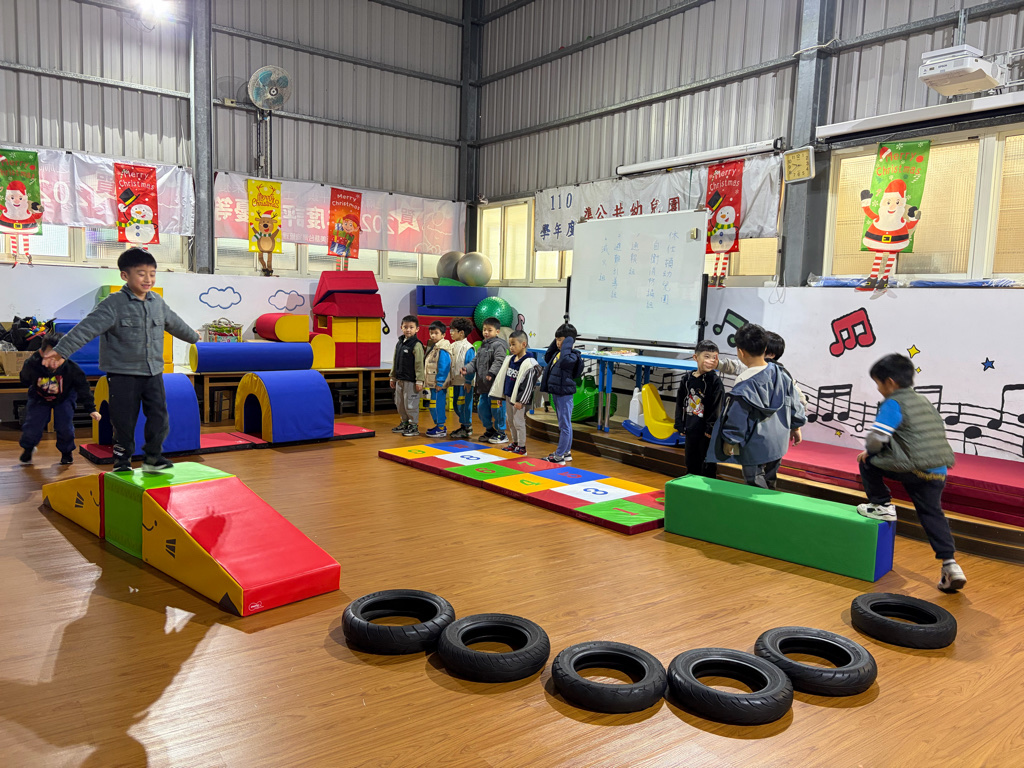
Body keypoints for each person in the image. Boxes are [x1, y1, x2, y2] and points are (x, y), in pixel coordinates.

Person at [45, 248, 199, 472]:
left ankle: (153, 458)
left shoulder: (157, 302)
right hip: (123, 374)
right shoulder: (113, 304)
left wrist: (194, 337)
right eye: (141, 274)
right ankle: (122, 462)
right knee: (124, 421)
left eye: (152, 274)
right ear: (125, 275)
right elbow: (86, 329)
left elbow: (175, 323)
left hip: (153, 372)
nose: (148, 279)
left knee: (159, 417)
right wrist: (60, 352)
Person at [856, 353, 965, 593]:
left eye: (878, 383)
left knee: (867, 461)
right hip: (938, 470)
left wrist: (869, 452)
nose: (878, 389)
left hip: (914, 468)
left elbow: (877, 438)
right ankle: (950, 564)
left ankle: (880, 504)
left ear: (890, 382)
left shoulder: (894, 402)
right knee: (932, 513)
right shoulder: (923, 401)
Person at [707, 323, 806, 489]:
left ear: (741, 352)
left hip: (754, 444)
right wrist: (796, 426)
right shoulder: (781, 373)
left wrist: (730, 440)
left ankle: (761, 505)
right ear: (765, 348)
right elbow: (794, 402)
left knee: (754, 482)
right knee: (770, 478)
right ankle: (770, 499)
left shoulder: (744, 383)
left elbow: (737, 417)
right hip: (778, 442)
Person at [18, 332, 101, 465]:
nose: (54, 361)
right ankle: (28, 448)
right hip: (39, 397)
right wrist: (33, 363)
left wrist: (91, 409)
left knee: (65, 426)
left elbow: (83, 388)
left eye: (59, 357)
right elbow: (24, 380)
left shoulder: (72, 369)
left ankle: (66, 452)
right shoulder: (33, 364)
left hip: (64, 397)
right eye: (50, 356)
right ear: (42, 353)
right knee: (32, 425)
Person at [718, 330, 809, 410]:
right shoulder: (753, 366)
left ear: (771, 354)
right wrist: (717, 364)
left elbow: (801, 400)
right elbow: (736, 366)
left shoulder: (782, 375)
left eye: (761, 349)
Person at [674, 340, 723, 479]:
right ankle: (690, 486)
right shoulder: (687, 379)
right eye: (706, 356)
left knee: (707, 465)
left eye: (714, 357)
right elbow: (680, 402)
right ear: (696, 357)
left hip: (706, 432)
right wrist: (679, 423)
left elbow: (717, 406)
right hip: (691, 428)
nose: (710, 360)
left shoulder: (715, 381)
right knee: (690, 461)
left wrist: (711, 428)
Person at [491, 330, 541, 456]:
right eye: (510, 344)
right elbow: (504, 379)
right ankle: (515, 442)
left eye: (513, 344)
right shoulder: (510, 359)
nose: (511, 347)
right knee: (511, 421)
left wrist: (521, 401)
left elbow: (528, 385)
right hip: (509, 396)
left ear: (523, 344)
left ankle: (522, 446)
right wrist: (501, 396)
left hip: (518, 400)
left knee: (519, 422)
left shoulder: (529, 363)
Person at [540, 323, 584, 465]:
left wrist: (569, 340)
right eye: (557, 340)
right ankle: (566, 452)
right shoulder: (557, 353)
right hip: (557, 393)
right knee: (564, 425)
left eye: (561, 340)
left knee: (565, 426)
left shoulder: (572, 356)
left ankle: (559, 456)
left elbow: (565, 361)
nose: (558, 343)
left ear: (569, 342)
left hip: (564, 394)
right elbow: (547, 357)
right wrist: (557, 340)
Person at [462, 317, 509, 444]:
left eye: (489, 330)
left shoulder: (499, 345)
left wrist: (491, 373)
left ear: (497, 331)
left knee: (497, 410)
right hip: (483, 387)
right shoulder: (483, 345)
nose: (486, 332)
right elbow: (475, 361)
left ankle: (501, 432)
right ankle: (489, 430)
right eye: (484, 330)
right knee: (482, 409)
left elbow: (499, 360)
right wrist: (467, 369)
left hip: (496, 388)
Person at [389, 315, 425, 438]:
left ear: (417, 329)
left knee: (411, 404)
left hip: (411, 381)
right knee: (399, 403)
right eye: (405, 327)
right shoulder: (399, 343)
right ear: (401, 328)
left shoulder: (416, 345)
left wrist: (419, 380)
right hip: (400, 379)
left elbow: (419, 364)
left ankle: (413, 425)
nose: (408, 329)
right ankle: (404, 422)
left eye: (411, 327)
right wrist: (393, 377)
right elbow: (395, 360)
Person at [423, 321, 452, 438]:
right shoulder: (434, 346)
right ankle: (439, 426)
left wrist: (440, 382)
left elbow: (444, 366)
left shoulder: (442, 348)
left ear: (443, 335)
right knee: (433, 405)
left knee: (436, 405)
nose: (433, 335)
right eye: (431, 333)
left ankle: (440, 428)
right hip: (433, 383)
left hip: (438, 384)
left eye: (436, 333)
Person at [448, 317, 476, 439]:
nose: (450, 333)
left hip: (465, 383)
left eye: (453, 330)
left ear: (461, 333)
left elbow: (471, 365)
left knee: (464, 405)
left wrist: (468, 381)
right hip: (456, 381)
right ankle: (464, 425)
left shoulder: (468, 348)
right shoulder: (452, 345)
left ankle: (467, 427)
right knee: (456, 404)